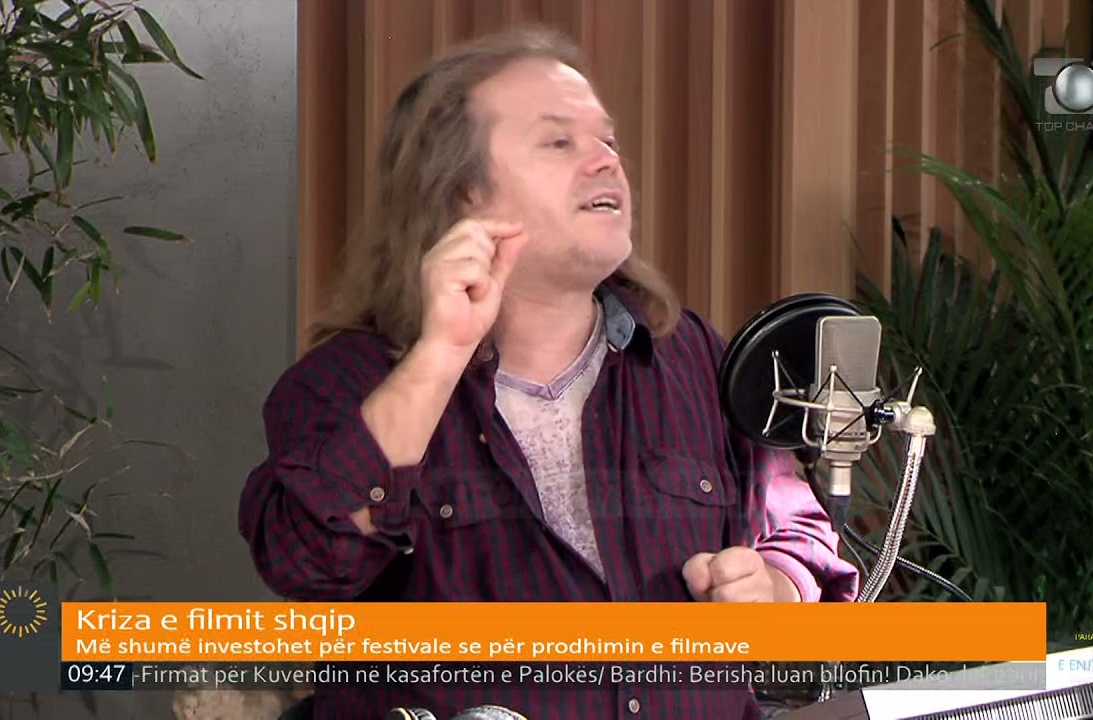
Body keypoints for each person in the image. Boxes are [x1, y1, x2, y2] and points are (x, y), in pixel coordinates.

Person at [238, 24, 858, 720]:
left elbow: (801, 534)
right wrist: (439, 355)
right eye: (559, 142)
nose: (606, 161)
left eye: (608, 141)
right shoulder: (346, 382)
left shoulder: (695, 357)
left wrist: (773, 585)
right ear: (462, 192)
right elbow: (308, 563)